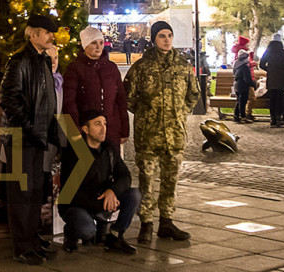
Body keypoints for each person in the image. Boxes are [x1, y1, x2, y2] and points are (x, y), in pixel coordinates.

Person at [125, 20, 199, 243]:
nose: (167, 40)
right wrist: (146, 115)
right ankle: (146, 223)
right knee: (147, 180)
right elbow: (128, 97)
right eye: (161, 36)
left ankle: (167, 222)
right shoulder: (142, 67)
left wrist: (180, 112)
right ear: (154, 39)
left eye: (169, 36)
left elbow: (193, 94)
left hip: (174, 134)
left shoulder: (183, 66)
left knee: (170, 180)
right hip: (149, 135)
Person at [0, 13, 63, 265]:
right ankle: (22, 247)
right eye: (47, 32)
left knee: (35, 191)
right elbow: (8, 97)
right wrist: (28, 126)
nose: (51, 36)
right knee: (22, 194)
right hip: (21, 138)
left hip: (37, 137)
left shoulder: (40, 60)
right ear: (33, 34)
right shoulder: (20, 60)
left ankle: (33, 240)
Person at [58, 108, 140, 255]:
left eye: (105, 124)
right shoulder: (74, 152)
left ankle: (115, 236)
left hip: (102, 199)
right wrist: (100, 205)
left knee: (134, 195)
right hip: (76, 206)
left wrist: (112, 191)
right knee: (87, 231)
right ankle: (70, 233)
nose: (103, 128)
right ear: (85, 129)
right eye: (97, 124)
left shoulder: (108, 149)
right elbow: (71, 194)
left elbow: (125, 176)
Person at [63, 26, 130, 148]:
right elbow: (69, 102)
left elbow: (121, 99)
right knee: (88, 160)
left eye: (101, 43)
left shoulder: (111, 67)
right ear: (85, 45)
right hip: (86, 131)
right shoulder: (75, 68)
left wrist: (124, 128)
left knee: (111, 159)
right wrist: (75, 129)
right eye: (94, 43)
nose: (98, 47)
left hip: (111, 130)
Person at [258, 36, 284, 126]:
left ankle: (272, 118)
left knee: (272, 99)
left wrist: (269, 69)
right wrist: (282, 71)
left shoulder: (268, 52)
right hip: (281, 78)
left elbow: (261, 64)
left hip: (271, 78)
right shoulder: (283, 52)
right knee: (280, 99)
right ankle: (278, 118)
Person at [232, 36, 257, 123]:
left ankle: (236, 116)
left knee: (239, 101)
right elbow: (247, 79)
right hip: (243, 86)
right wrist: (253, 84)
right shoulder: (245, 67)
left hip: (237, 85)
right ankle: (243, 116)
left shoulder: (236, 64)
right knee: (242, 102)